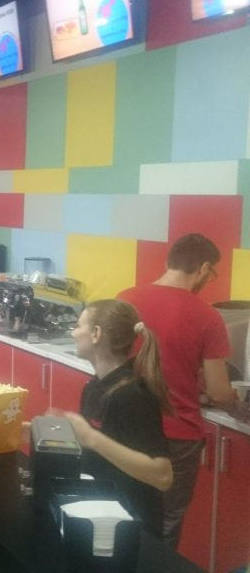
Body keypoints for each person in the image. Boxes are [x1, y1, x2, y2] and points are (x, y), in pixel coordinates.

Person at [117, 233, 234, 547]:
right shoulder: (207, 315)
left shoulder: (125, 299)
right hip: (177, 436)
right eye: (212, 274)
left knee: (122, 511)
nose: (209, 280)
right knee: (165, 524)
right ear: (203, 267)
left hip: (127, 425)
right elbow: (220, 392)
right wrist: (238, 405)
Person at [64, 299, 173, 537]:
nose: (73, 333)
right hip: (102, 515)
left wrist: (91, 438)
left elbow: (162, 475)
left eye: (78, 326)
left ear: (96, 334)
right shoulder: (94, 386)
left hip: (132, 526)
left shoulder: (132, 395)